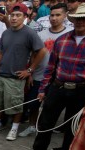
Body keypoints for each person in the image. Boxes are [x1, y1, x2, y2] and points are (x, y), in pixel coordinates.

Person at [21, 2, 85, 150]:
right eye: (77, 19)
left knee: (73, 128)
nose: (80, 22)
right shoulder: (63, 39)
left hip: (83, 89)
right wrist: (43, 89)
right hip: (59, 86)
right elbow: (51, 67)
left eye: (84, 19)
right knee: (45, 124)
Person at [0, 3, 46, 141]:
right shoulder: (6, 32)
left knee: (16, 105)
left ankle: (14, 128)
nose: (14, 18)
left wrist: (30, 70)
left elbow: (42, 51)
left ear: (25, 17)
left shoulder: (29, 33)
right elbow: (0, 53)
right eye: (12, 15)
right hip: (1, 74)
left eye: (18, 15)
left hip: (16, 77)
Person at [19, 3, 71, 138]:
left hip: (58, 78)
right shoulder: (40, 34)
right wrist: (30, 71)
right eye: (52, 15)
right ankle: (31, 126)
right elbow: (34, 54)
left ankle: (46, 128)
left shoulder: (68, 35)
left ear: (65, 16)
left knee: (51, 106)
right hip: (38, 74)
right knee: (33, 103)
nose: (54, 18)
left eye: (58, 15)